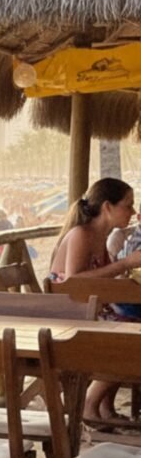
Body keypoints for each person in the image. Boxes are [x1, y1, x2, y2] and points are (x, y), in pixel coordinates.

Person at [48, 178, 141, 421]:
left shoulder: (101, 235)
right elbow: (75, 281)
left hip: (89, 310)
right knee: (132, 340)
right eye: (128, 205)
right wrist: (125, 263)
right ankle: (90, 404)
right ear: (108, 207)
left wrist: (126, 273)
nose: (133, 211)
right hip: (70, 315)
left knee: (132, 327)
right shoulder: (82, 234)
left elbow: (105, 281)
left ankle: (105, 408)